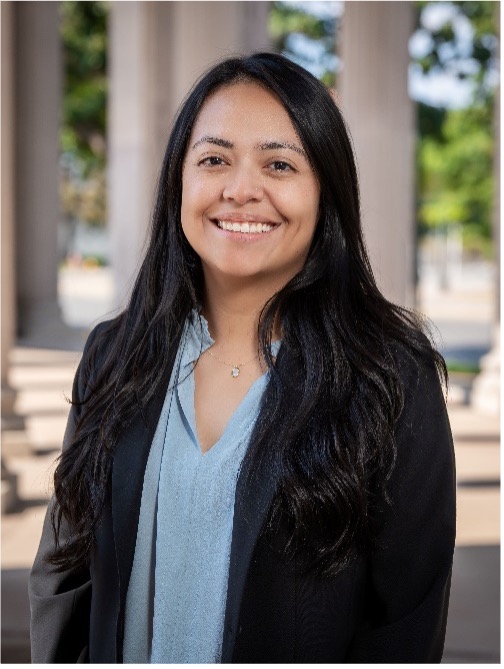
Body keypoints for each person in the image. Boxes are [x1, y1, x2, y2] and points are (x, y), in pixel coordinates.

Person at [29, 52, 456, 664]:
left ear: (326, 192)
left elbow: (405, 627)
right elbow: (65, 573)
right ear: (180, 181)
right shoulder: (113, 356)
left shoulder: (390, 379)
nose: (241, 189)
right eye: (214, 159)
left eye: (279, 164)